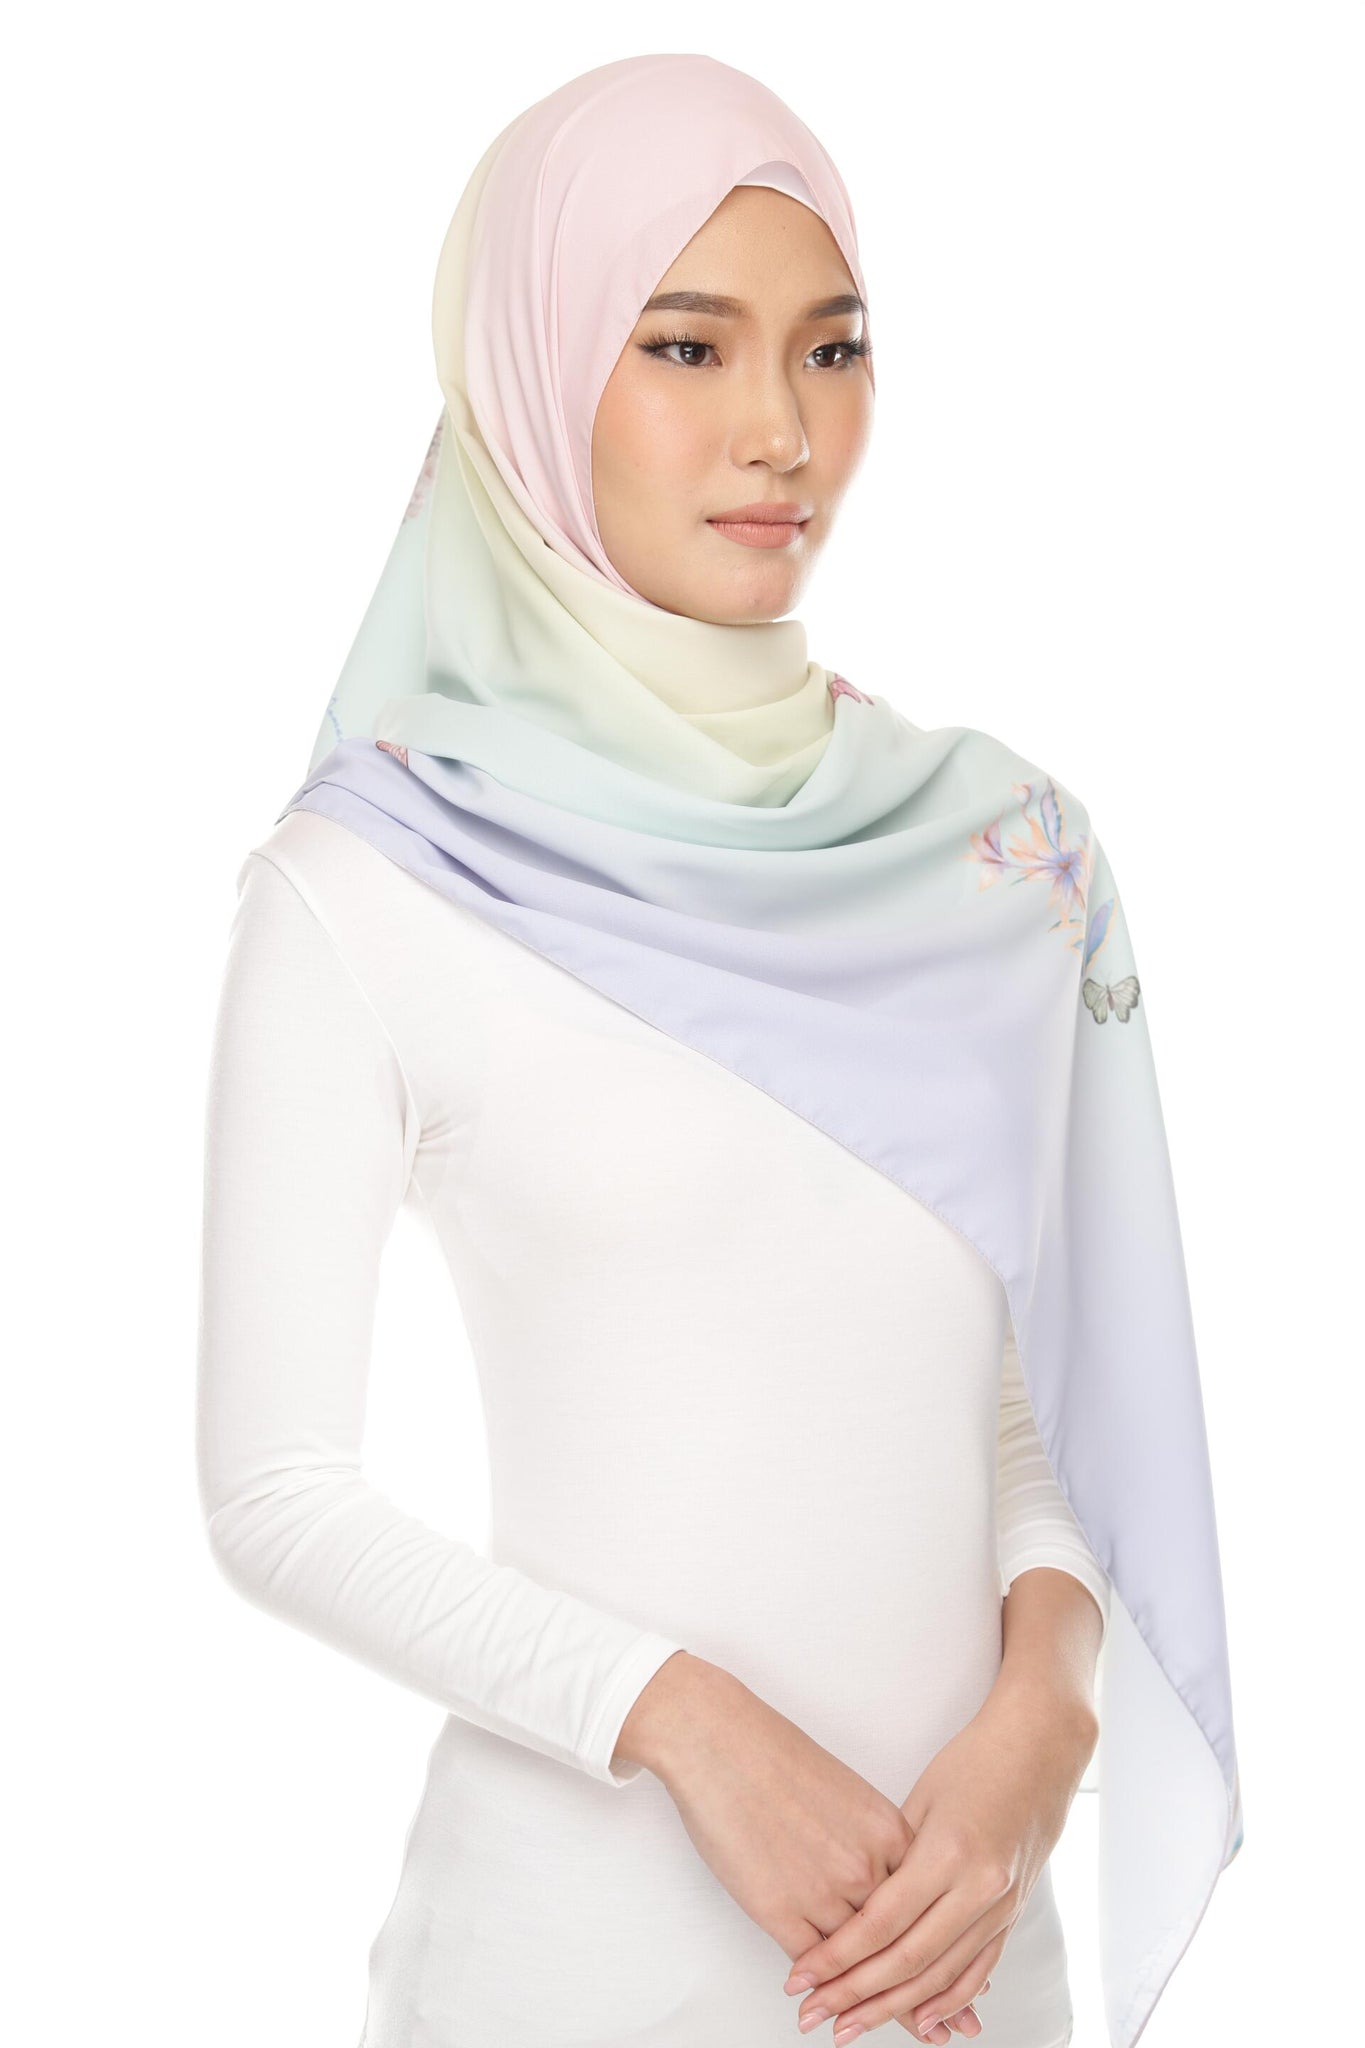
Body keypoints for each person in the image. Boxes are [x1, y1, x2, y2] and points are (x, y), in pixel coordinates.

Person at [195, 52, 1241, 2048]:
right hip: (564, 1972)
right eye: (685, 346)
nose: (782, 431)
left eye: (830, 349)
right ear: (531, 371)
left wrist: (1045, 1706)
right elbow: (276, 1491)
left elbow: (1022, 1390)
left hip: (955, 1964)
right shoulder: (373, 882)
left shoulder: (993, 855)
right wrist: (678, 1719)